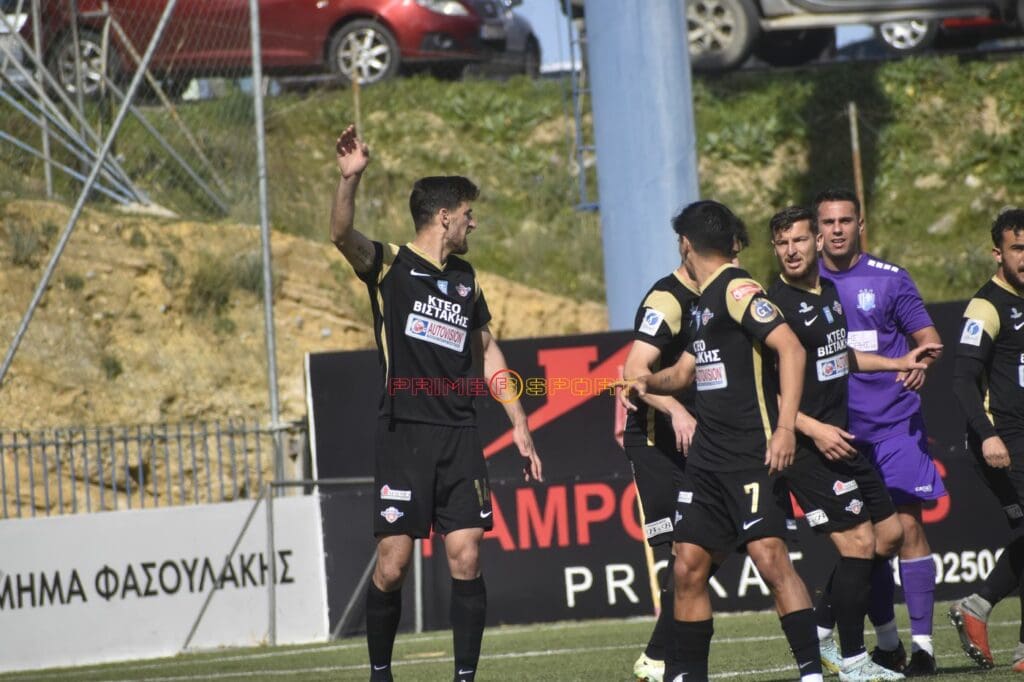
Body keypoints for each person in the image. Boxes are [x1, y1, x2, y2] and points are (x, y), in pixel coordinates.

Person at [329, 125, 543, 682]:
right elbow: (341, 233)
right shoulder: (390, 266)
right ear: (444, 216)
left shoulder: (466, 279)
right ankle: (381, 673)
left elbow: (487, 350)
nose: (474, 222)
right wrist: (350, 180)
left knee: (467, 555)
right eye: (469, 213)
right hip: (403, 433)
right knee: (393, 564)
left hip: (460, 436)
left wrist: (519, 421)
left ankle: (465, 678)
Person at [620, 200, 821, 682]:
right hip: (707, 463)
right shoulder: (703, 302)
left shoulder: (736, 288)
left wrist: (786, 428)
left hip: (750, 453)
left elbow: (791, 348)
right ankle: (688, 674)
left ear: (685, 244)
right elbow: (683, 373)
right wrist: (647, 382)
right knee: (688, 566)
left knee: (771, 560)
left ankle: (812, 674)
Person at [767, 206, 941, 681]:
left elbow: (840, 355)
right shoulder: (773, 306)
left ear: (817, 243)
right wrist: (812, 428)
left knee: (889, 535)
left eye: (799, 240)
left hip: (841, 440)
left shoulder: (826, 293)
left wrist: (898, 361)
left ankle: (825, 631)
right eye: (782, 243)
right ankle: (853, 659)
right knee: (861, 543)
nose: (792, 250)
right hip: (810, 447)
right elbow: (770, 389)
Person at [815, 188, 945, 675]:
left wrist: (922, 363)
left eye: (845, 220)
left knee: (906, 529)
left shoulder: (890, 278)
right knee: (865, 541)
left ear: (860, 225)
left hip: (894, 425)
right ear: (817, 230)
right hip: (838, 434)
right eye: (828, 222)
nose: (837, 229)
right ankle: (888, 644)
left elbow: (928, 339)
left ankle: (924, 647)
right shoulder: (804, 287)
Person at [620, 233, 703, 682]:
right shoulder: (667, 300)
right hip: (657, 444)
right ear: (686, 245)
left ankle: (659, 655)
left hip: (703, 445)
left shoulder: (724, 293)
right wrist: (676, 410)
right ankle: (660, 658)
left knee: (704, 550)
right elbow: (635, 372)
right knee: (688, 552)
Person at [949, 208, 1024, 671]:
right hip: (1004, 442)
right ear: (998, 253)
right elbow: (961, 381)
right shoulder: (986, 306)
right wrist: (989, 436)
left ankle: (976, 607)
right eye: (1018, 249)